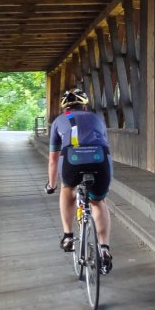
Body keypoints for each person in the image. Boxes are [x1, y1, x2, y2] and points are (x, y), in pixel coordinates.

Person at [44, 88, 113, 273]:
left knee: (67, 189)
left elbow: (53, 159)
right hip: (100, 159)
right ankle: (104, 249)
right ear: (85, 105)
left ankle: (68, 236)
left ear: (64, 107)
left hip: (72, 160)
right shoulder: (97, 119)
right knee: (98, 201)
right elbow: (103, 142)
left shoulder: (59, 121)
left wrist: (51, 185)